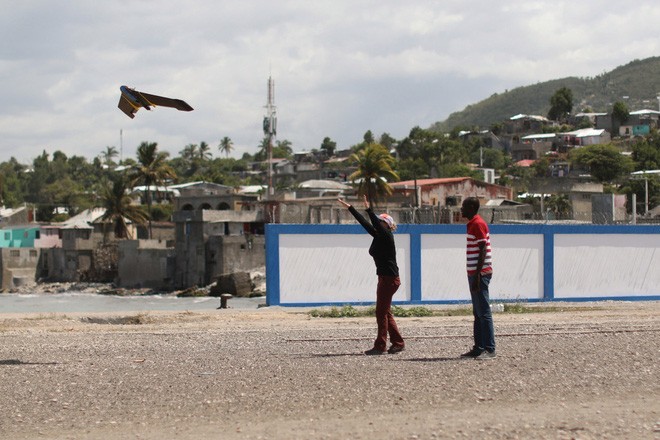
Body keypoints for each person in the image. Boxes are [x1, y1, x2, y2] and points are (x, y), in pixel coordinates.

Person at [338, 195, 405, 355]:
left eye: (380, 221)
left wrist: (369, 209)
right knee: (385, 312)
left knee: (381, 312)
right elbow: (366, 224)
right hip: (385, 278)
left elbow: (374, 223)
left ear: (385, 225)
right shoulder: (379, 236)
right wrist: (351, 208)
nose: (377, 224)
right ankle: (398, 343)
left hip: (389, 279)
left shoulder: (387, 236)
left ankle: (380, 346)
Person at [460, 197, 496, 360]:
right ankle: (479, 347)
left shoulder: (478, 224)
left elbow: (482, 250)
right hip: (474, 274)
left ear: (472, 208)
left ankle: (489, 349)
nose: (461, 210)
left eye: (464, 207)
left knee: (484, 312)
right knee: (478, 312)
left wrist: (477, 275)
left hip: (480, 274)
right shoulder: (472, 224)